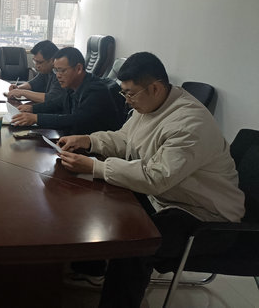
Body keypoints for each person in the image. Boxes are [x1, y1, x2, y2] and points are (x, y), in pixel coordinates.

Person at [58, 52, 245, 308]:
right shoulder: (151, 104)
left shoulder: (190, 123)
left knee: (135, 244)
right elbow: (125, 139)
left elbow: (156, 177)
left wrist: (96, 166)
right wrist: (89, 141)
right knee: (101, 195)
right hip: (167, 198)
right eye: (124, 92)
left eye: (130, 93)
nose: (126, 100)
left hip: (205, 217)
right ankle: (91, 268)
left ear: (155, 88)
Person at [11, 47, 123, 134]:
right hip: (76, 138)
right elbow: (58, 103)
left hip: (98, 148)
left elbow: (76, 120)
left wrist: (37, 118)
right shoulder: (73, 85)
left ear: (78, 69)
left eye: (62, 71)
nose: (58, 75)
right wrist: (32, 109)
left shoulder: (96, 90)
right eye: (56, 70)